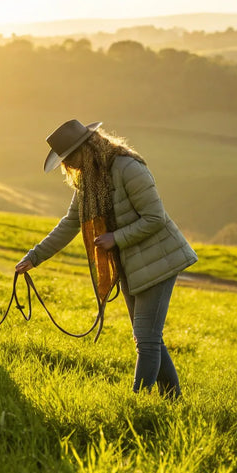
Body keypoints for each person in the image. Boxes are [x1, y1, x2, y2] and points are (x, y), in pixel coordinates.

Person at [16, 119, 197, 398]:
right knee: (148, 338)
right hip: (131, 266)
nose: (70, 168)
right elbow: (69, 223)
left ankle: (136, 406)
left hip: (160, 261)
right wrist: (35, 257)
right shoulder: (89, 182)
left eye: (71, 160)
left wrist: (116, 238)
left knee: (146, 341)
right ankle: (174, 399)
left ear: (85, 149)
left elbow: (155, 218)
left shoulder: (128, 168)